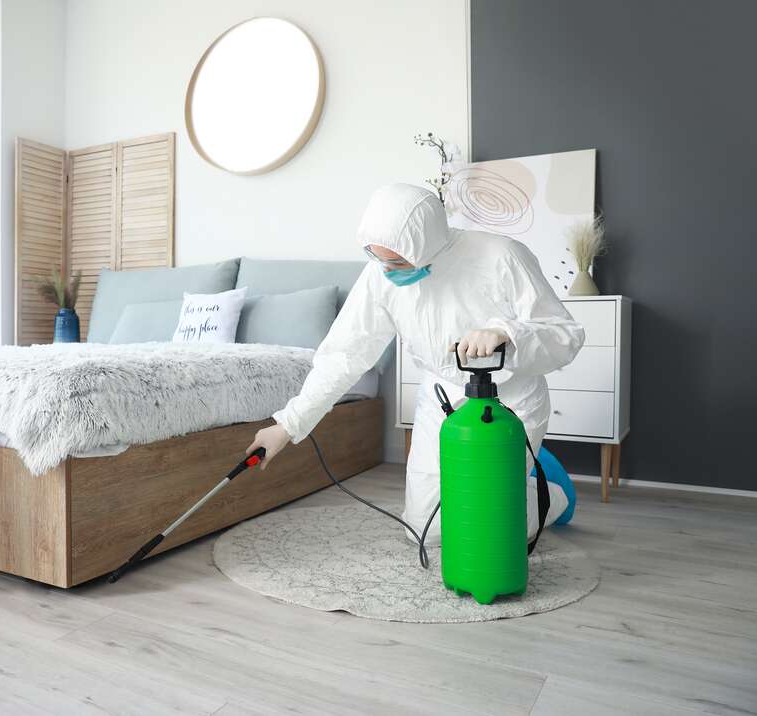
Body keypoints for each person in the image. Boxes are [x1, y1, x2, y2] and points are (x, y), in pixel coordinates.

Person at [245, 183, 585, 542]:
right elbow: (344, 356)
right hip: (442, 398)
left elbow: (565, 335)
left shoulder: (501, 256)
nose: (388, 271)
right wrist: (286, 426)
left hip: (508, 402)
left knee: (486, 531)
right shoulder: (380, 274)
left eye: (397, 261)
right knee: (427, 530)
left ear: (427, 244)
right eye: (379, 259)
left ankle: (555, 495)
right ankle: (526, 476)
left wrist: (506, 332)